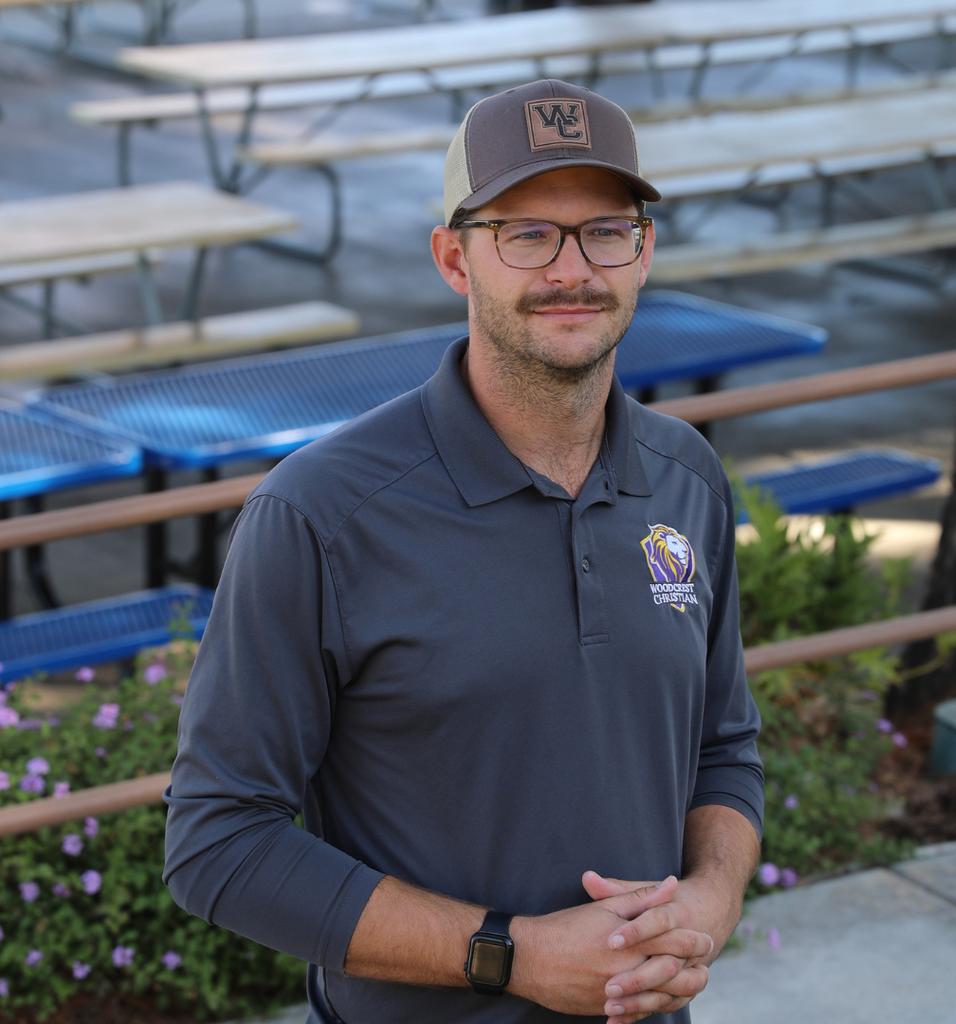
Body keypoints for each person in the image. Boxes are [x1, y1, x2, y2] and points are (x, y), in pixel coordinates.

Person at [164, 79, 764, 1024]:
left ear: (644, 251)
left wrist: (713, 897)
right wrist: (510, 956)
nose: (573, 269)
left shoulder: (683, 475)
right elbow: (218, 844)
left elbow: (724, 748)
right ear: (455, 258)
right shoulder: (320, 515)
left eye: (605, 229)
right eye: (525, 233)